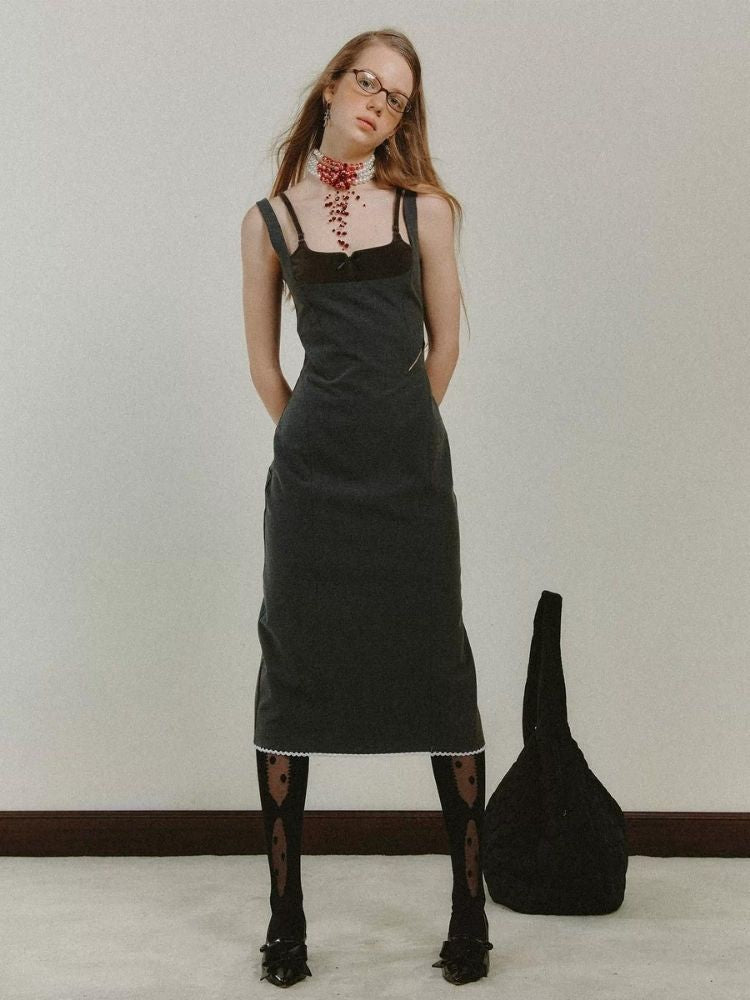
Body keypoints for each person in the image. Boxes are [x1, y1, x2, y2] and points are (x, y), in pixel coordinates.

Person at [241, 28, 493, 987]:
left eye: (397, 97)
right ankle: (286, 920)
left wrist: (395, 430)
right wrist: (317, 440)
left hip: (408, 481)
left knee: (437, 665)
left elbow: (445, 348)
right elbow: (266, 368)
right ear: (332, 85)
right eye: (368, 82)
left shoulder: (426, 210)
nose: (379, 103)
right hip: (311, 485)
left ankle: (470, 911)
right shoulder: (268, 221)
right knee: (294, 668)